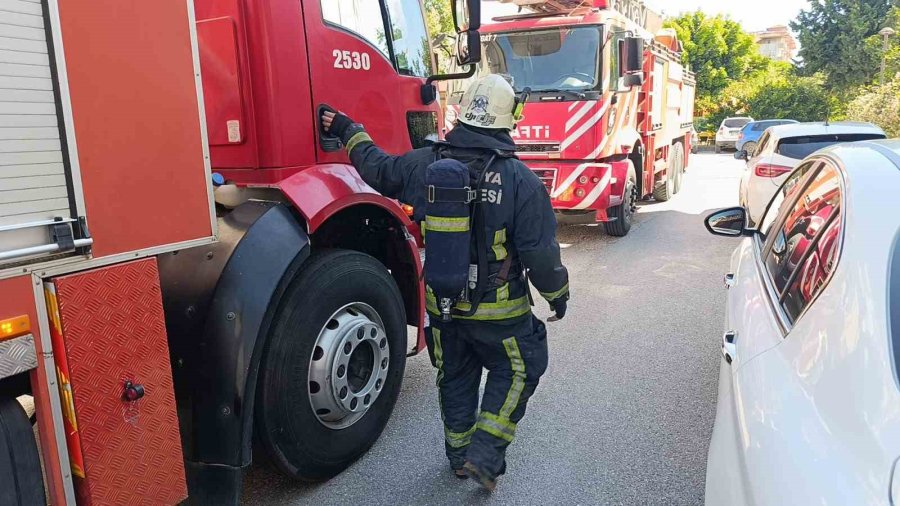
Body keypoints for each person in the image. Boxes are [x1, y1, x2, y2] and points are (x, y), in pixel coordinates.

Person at [321, 74, 569, 491]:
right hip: (501, 315)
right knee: (520, 369)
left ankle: (459, 458)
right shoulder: (521, 181)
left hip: (444, 305)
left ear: (465, 110)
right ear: (508, 118)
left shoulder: (425, 163)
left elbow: (377, 169)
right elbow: (540, 253)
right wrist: (557, 295)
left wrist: (349, 130)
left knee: (455, 376)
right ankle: (485, 456)